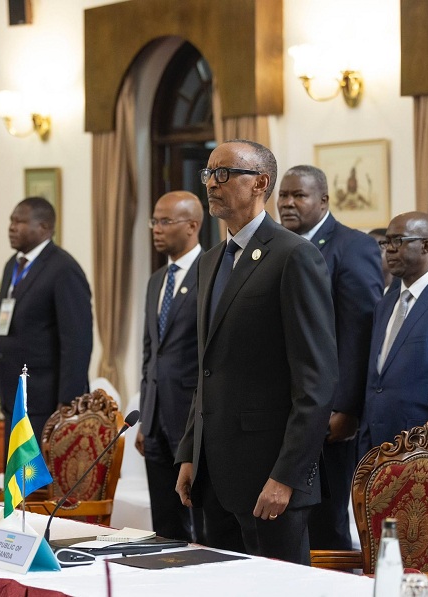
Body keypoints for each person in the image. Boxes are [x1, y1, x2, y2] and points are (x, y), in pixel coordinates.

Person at [174, 139, 338, 565]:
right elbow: (207, 369)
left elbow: (316, 382)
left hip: (270, 477)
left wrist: (287, 476)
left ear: (260, 183)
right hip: (213, 475)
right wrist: (190, 454)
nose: (211, 183)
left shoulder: (294, 256)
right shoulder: (210, 261)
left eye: (224, 173)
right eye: (208, 173)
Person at [278, 165, 384, 550]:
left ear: (323, 200)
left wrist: (347, 408)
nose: (288, 203)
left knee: (326, 524)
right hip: (283, 408)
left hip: (329, 414)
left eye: (299, 196)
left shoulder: (353, 246)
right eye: (283, 195)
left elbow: (360, 332)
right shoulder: (278, 246)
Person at [0, 197, 92, 456]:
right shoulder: (12, 265)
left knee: (36, 477)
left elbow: (77, 341)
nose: (12, 227)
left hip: (45, 400)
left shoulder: (63, 268)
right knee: (16, 476)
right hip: (14, 395)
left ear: (44, 227)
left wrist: (68, 401)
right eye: (11, 220)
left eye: (20, 221)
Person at [135, 191, 205, 543]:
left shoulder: (211, 273)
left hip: (191, 417)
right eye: (154, 221)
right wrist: (145, 417)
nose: (156, 229)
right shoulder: (157, 279)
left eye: (165, 221)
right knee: (164, 523)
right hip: (156, 421)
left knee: (200, 521)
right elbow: (151, 353)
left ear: (192, 225)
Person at [360, 212, 428, 454]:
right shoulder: (385, 304)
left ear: (426, 246)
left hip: (424, 448)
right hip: (376, 445)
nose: (389, 249)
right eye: (386, 242)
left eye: (398, 240)